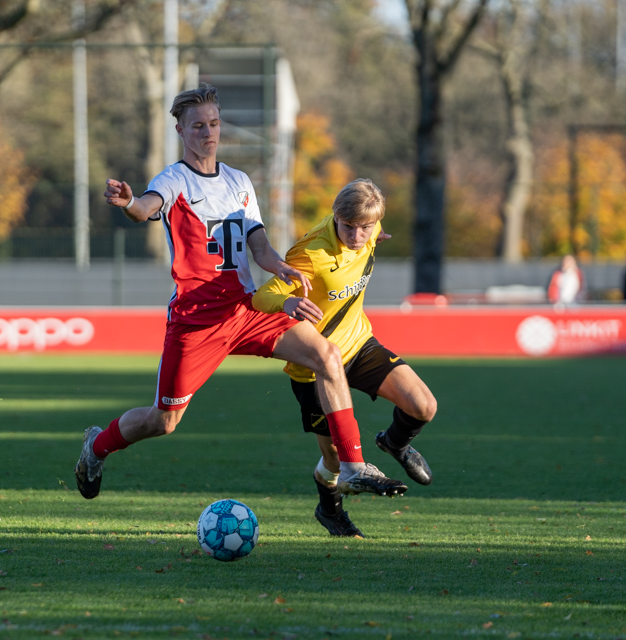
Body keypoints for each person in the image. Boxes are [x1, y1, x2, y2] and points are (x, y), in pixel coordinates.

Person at [74, 85, 407, 501]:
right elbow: (146, 207)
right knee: (164, 421)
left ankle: (355, 465)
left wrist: (283, 268)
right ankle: (97, 446)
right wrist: (128, 203)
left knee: (327, 354)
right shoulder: (175, 179)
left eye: (213, 124)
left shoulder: (239, 181)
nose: (208, 133)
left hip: (247, 310)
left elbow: (261, 248)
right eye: (198, 126)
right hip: (198, 319)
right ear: (180, 130)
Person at [252, 179, 437, 538]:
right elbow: (263, 296)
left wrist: (374, 234)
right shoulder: (311, 254)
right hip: (315, 366)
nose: (356, 235)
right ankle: (330, 510)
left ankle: (394, 443)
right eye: (348, 226)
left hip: (358, 344)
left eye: (365, 228)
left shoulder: (371, 225)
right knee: (335, 458)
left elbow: (371, 225)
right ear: (336, 216)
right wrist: (288, 301)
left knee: (424, 406)